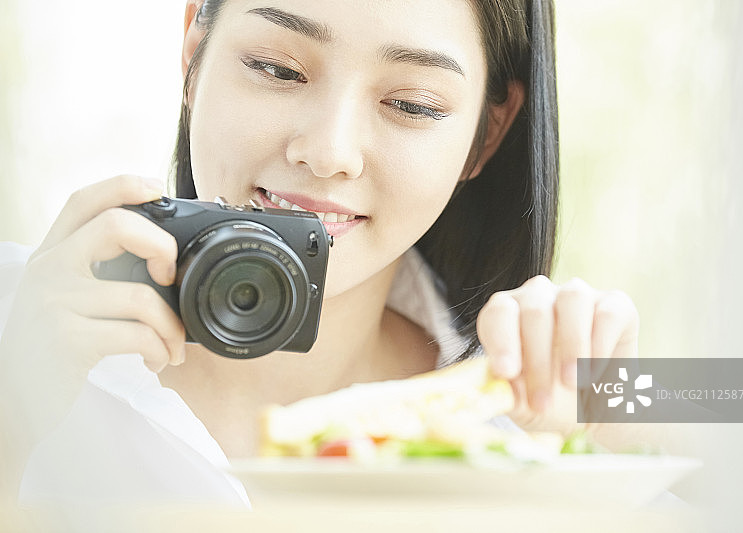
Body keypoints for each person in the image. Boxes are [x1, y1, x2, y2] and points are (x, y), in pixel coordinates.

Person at [0, 0, 639, 507]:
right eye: (277, 67)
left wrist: (624, 398)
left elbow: (739, 399)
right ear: (194, 50)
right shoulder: (19, 317)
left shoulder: (523, 384)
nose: (328, 151)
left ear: (485, 135)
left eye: (411, 104)